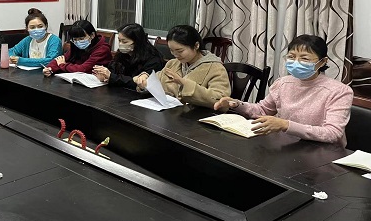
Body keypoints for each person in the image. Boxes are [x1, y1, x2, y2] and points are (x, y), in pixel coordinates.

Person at [214, 35, 353, 146]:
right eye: (291, 57)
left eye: (304, 58)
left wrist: (286, 125)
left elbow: (332, 133)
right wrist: (236, 104)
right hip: (288, 146)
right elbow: (262, 110)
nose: (296, 62)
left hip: (323, 153)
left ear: (322, 62)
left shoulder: (339, 91)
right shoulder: (283, 83)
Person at [133, 25, 230, 107]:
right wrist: (145, 82)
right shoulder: (173, 63)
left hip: (195, 118)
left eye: (180, 51)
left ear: (196, 45)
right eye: (171, 50)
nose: (175, 55)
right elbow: (156, 82)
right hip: (169, 114)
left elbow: (221, 100)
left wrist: (184, 83)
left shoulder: (215, 68)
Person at [93, 23, 165, 88]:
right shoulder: (122, 53)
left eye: (124, 42)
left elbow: (139, 83)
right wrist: (105, 75)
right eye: (119, 40)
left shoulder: (153, 58)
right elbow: (113, 70)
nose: (120, 44)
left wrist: (112, 77)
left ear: (137, 42)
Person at [43, 19, 112, 76]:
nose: (78, 42)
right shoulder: (75, 45)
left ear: (92, 35)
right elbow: (62, 58)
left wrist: (62, 65)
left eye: (81, 38)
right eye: (75, 39)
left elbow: (83, 69)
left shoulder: (103, 49)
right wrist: (50, 68)